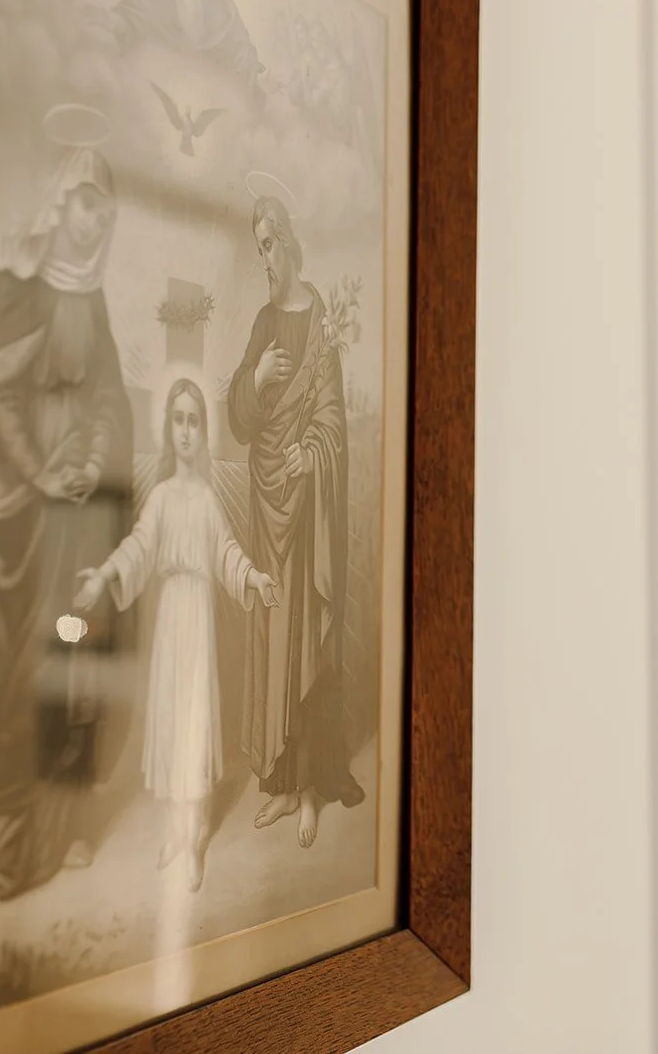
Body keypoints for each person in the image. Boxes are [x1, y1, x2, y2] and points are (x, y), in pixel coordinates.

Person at [0, 147, 133, 910]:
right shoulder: (8, 285)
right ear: (59, 201)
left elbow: (108, 399)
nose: (96, 222)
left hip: (76, 519)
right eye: (88, 204)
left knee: (72, 663)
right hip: (17, 514)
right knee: (13, 673)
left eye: (106, 212)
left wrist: (88, 458)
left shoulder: (94, 300)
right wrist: (39, 471)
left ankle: (60, 827)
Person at [73, 378, 279, 891]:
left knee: (194, 721)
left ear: (202, 431)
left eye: (193, 421)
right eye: (178, 420)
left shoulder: (206, 499)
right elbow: (139, 547)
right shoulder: (162, 497)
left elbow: (228, 552)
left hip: (198, 618)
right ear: (168, 428)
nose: (185, 431)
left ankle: (196, 837)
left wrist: (254, 578)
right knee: (169, 721)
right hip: (170, 618)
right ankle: (175, 831)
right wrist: (102, 576)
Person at [227, 195, 363, 849]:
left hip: (305, 509)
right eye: (257, 247)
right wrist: (256, 376)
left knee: (304, 636)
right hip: (266, 504)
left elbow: (332, 415)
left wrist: (311, 452)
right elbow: (238, 416)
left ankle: (310, 789)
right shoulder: (263, 323)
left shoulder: (320, 323)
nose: (264, 258)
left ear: (287, 241)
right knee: (273, 638)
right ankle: (282, 786)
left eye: (268, 244)